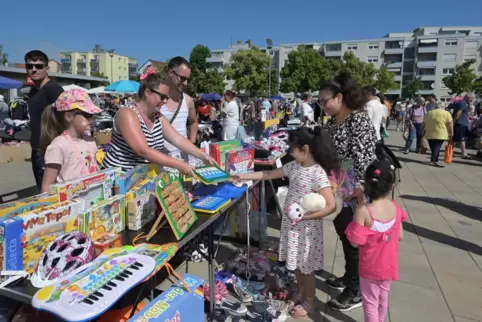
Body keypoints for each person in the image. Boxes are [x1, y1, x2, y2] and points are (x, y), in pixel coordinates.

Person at [232, 127, 338, 318]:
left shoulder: (317, 173)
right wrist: (244, 176)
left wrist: (304, 217)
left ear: (305, 149)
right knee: (296, 265)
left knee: (306, 268)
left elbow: (331, 206)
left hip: (307, 229)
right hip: (293, 226)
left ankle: (310, 300)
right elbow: (268, 175)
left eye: (293, 149)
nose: (290, 152)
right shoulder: (295, 166)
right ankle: (302, 293)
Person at [319, 72, 377, 312]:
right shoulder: (332, 124)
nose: (322, 106)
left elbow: (364, 157)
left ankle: (356, 290)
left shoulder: (358, 120)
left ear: (340, 97)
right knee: (344, 233)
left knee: (355, 239)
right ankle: (349, 276)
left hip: (357, 187)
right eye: (319, 102)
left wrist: (360, 191)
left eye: (325, 101)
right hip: (339, 185)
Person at [102, 67, 216, 174]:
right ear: (147, 92)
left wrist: (202, 155)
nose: (165, 101)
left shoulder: (157, 116)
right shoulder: (127, 114)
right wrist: (180, 165)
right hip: (120, 178)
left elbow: (178, 139)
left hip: (142, 178)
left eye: (167, 97)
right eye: (162, 97)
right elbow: (143, 150)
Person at [345, 160, 407, 322]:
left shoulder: (364, 211)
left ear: (367, 184)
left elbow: (354, 242)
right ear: (391, 186)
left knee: (370, 302)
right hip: (389, 265)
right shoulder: (396, 208)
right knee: (382, 298)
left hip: (370, 267)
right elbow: (400, 236)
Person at [40, 89, 101, 192]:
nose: (92, 119)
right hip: (69, 202)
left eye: (93, 115)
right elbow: (47, 186)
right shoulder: (58, 145)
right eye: (87, 115)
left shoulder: (90, 140)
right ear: (68, 116)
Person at [25, 50, 64, 188]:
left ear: (47, 69)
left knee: (49, 193)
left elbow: (68, 113)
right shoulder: (33, 91)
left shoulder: (52, 88)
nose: (34, 69)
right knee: (42, 190)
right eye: (30, 66)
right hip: (37, 149)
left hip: (49, 149)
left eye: (39, 66)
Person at [160, 57, 198, 165]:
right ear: (170, 73)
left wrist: (191, 143)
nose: (185, 83)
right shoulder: (157, 100)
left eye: (187, 79)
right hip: (162, 160)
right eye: (182, 78)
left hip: (184, 160)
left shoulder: (188, 100)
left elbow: (193, 122)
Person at [424, 102, 454, 167]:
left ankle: (434, 159)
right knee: (437, 147)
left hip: (429, 133)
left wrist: (421, 131)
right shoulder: (446, 113)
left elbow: (424, 123)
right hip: (441, 133)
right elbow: (450, 123)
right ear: (443, 106)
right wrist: (451, 132)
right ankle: (434, 160)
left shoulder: (429, 113)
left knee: (433, 147)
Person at [452, 93, 475, 159]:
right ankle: (463, 154)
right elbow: (458, 113)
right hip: (460, 123)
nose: (471, 101)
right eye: (471, 100)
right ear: (467, 98)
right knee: (461, 139)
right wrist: (453, 123)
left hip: (461, 123)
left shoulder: (463, 103)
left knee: (456, 139)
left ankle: (453, 152)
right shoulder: (462, 102)